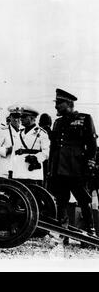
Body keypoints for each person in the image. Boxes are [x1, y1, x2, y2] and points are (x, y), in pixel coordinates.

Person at [49, 88, 97, 238]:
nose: (56, 106)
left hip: (77, 168)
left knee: (83, 199)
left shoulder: (84, 118)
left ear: (69, 103)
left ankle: (90, 230)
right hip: (60, 169)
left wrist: (90, 162)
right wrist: (52, 168)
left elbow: (92, 144)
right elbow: (54, 147)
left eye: (59, 103)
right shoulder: (57, 122)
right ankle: (62, 231)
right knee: (61, 200)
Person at [10, 106, 50, 187]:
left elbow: (46, 152)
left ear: (32, 118)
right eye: (21, 117)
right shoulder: (19, 133)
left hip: (32, 173)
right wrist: (10, 170)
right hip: (18, 172)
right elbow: (14, 153)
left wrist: (36, 158)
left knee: (34, 197)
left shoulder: (42, 133)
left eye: (24, 117)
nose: (21, 119)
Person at [0, 105, 22, 178]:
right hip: (5, 169)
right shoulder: (3, 131)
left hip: (20, 169)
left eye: (18, 117)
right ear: (10, 117)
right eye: (14, 117)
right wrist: (7, 150)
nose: (16, 120)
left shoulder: (24, 132)